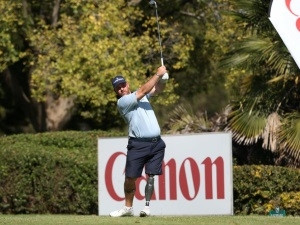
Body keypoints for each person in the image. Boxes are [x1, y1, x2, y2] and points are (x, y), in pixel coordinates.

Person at [109, 66, 168, 217]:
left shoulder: (142, 97)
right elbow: (143, 90)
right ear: (116, 92)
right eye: (118, 88)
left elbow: (157, 89)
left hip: (156, 143)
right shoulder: (123, 102)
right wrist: (157, 74)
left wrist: (164, 79)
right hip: (138, 145)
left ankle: (146, 207)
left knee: (151, 175)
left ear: (127, 84)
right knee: (130, 178)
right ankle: (128, 208)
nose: (121, 89)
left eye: (123, 85)